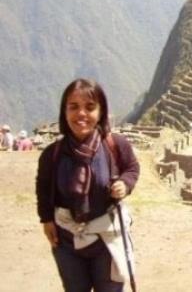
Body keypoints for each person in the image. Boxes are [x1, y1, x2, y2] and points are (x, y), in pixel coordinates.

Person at [36, 79, 140, 292]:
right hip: (67, 238)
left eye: (90, 107)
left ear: (101, 112)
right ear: (65, 112)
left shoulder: (115, 145)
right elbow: (44, 188)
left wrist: (124, 183)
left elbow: (132, 168)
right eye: (73, 107)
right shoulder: (52, 154)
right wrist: (46, 219)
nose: (81, 114)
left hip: (107, 237)